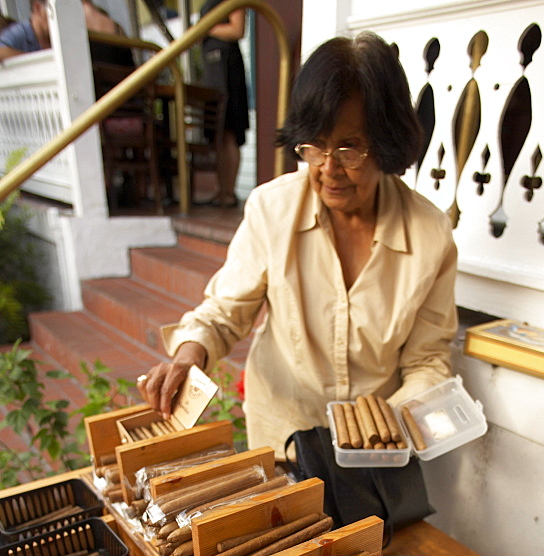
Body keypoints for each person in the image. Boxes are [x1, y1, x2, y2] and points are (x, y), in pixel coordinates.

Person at [139, 31, 458, 461]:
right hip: (283, 439)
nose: (329, 169)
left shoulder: (429, 234)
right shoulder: (272, 209)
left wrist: (383, 429)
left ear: (385, 145)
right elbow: (223, 314)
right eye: (315, 146)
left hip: (378, 452)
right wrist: (189, 355)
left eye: (349, 148)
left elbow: (427, 361)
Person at [198, 2, 249, 207]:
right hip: (212, 71)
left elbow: (238, 29)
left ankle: (229, 192)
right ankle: (221, 191)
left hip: (227, 69)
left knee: (229, 132)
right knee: (217, 134)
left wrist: (205, 28)